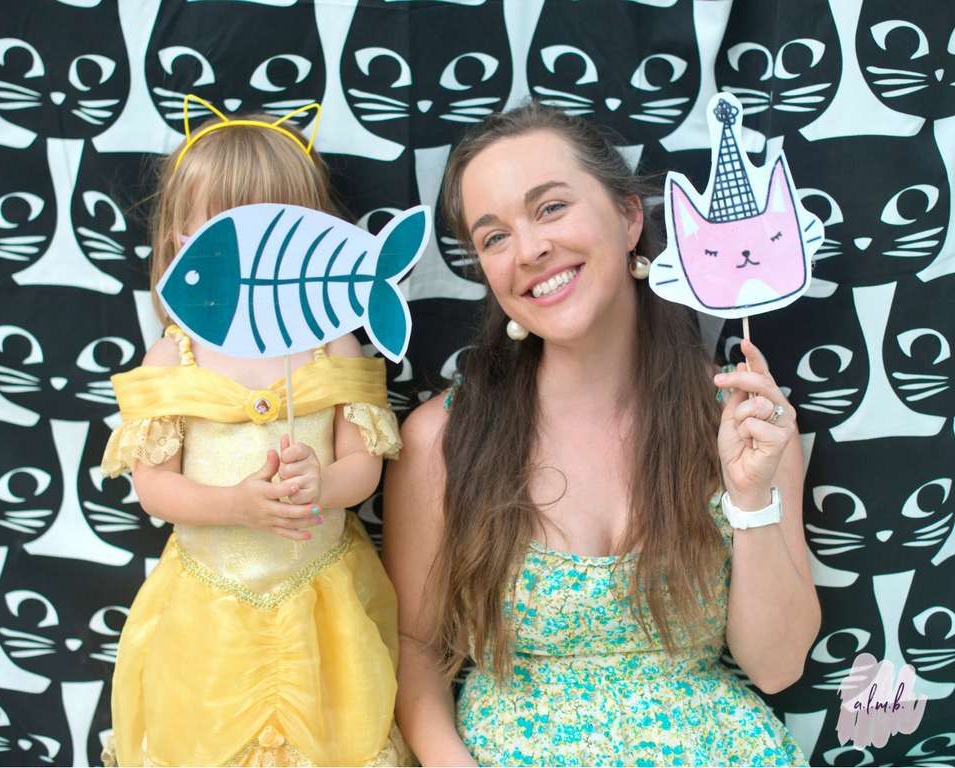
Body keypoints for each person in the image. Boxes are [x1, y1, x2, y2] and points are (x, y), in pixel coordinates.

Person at [382, 102, 821, 766]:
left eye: (551, 208)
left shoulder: (746, 422)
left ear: (628, 216)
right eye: (494, 236)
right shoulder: (439, 439)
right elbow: (412, 647)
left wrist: (751, 495)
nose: (529, 249)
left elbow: (779, 666)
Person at [99, 101, 410, 767]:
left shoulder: (335, 347)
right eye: (218, 228)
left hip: (319, 604)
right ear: (179, 237)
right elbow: (154, 488)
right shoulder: (173, 355)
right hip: (209, 609)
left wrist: (323, 483)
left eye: (269, 226)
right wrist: (234, 504)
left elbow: (366, 470)